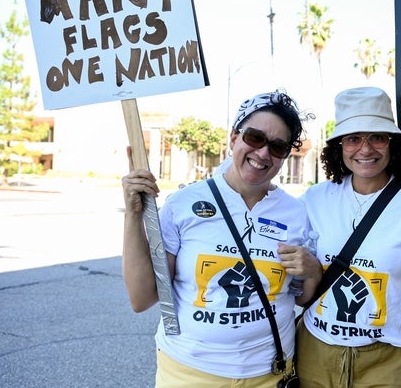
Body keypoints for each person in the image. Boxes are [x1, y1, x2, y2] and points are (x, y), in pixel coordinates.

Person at [121, 90, 322, 387]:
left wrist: (313, 271)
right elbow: (142, 298)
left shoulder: (297, 213)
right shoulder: (184, 203)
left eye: (278, 147)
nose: (264, 153)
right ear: (233, 138)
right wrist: (133, 216)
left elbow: (301, 296)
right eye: (254, 137)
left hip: (269, 373)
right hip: (189, 372)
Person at [296, 86, 401, 388]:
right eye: (353, 139)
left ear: (393, 144)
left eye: (377, 137)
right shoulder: (313, 200)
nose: (365, 149)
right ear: (339, 146)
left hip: (390, 360)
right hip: (316, 352)